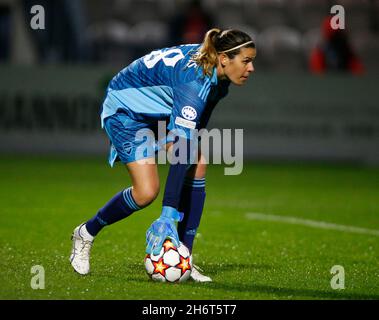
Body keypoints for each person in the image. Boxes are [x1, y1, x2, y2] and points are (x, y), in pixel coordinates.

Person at [70, 28, 256, 282]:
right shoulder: (194, 83)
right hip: (126, 110)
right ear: (224, 58)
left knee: (198, 162)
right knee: (146, 192)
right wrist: (168, 212)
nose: (251, 68)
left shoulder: (218, 79)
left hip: (158, 109)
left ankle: (184, 259)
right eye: (246, 61)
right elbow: (181, 148)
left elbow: (195, 129)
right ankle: (86, 232)